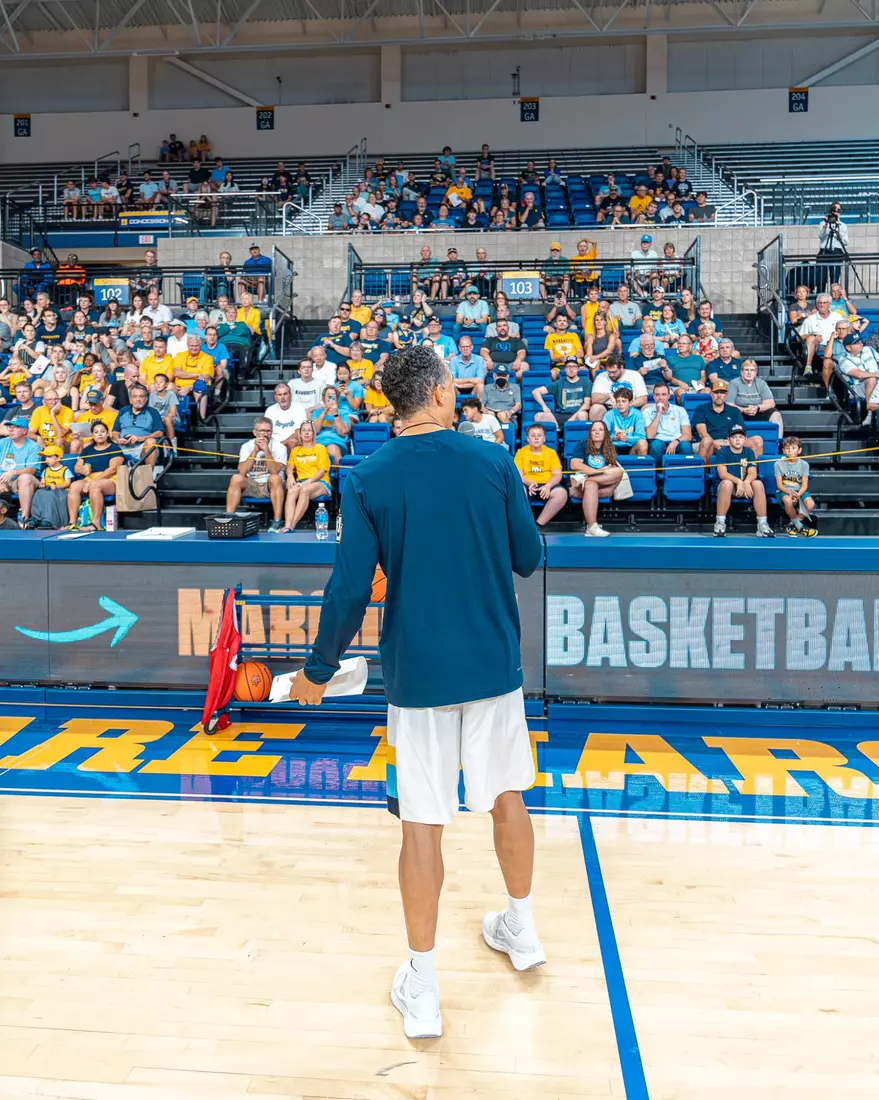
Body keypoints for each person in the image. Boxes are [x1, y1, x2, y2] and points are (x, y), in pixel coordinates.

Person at [289, 343, 544, 1041]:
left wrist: (317, 669)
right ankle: (521, 931)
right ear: (435, 395)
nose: (459, 397)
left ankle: (423, 987)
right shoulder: (494, 462)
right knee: (505, 795)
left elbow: (347, 590)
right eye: (453, 388)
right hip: (491, 664)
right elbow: (529, 557)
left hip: (418, 672)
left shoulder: (366, 476)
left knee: (421, 822)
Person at [713, 424, 775, 538]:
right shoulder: (722, 452)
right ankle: (720, 524)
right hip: (728, 486)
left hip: (746, 485)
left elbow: (752, 472)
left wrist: (746, 482)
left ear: (745, 439)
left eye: (741, 437)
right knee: (727, 484)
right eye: (734, 437)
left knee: (758, 483)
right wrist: (739, 482)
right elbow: (723, 474)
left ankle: (762, 525)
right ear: (729, 439)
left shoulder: (749, 452)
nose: (737, 440)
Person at [226, 416, 286, 532]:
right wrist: (255, 451)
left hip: (271, 485)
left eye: (268, 431)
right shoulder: (246, 446)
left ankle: (277, 520)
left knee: (275, 478)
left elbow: (275, 471)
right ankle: (229, 518)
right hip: (252, 484)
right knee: (236, 478)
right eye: (262, 431)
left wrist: (266, 450)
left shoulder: (280, 447)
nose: (265, 434)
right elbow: (242, 471)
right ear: (255, 432)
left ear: (272, 432)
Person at [65, 421, 125, 532]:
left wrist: (94, 481)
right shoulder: (88, 449)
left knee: (95, 486)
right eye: (96, 432)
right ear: (92, 435)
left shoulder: (114, 448)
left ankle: (96, 522)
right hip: (90, 478)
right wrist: (82, 469)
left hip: (110, 479)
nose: (100, 434)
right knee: (74, 486)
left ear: (108, 434)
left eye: (103, 431)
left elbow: (112, 469)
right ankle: (72, 522)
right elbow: (77, 467)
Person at [569, 420, 623, 538]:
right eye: (594, 430)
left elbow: (612, 471)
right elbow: (575, 465)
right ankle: (592, 527)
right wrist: (598, 471)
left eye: (600, 430)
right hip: (581, 487)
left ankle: (587, 479)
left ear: (605, 433)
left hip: (598, 485)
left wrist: (609, 488)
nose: (597, 432)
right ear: (590, 433)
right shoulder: (582, 445)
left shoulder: (609, 448)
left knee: (618, 471)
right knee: (591, 484)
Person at [281, 420, 332, 532]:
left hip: (321, 482)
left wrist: (307, 482)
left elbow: (322, 471)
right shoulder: (295, 450)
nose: (307, 433)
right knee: (291, 491)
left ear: (313, 433)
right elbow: (289, 467)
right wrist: (290, 475)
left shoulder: (320, 448)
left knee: (304, 489)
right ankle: (287, 524)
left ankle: (291, 526)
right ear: (300, 434)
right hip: (302, 482)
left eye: (309, 430)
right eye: (304, 430)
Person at [514, 424, 567, 526]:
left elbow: (557, 475)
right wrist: (530, 483)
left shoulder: (551, 453)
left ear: (544, 439)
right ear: (528, 439)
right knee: (518, 490)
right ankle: (524, 524)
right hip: (527, 484)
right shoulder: (521, 453)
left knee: (561, 494)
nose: (536, 438)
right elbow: (519, 475)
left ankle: (539, 524)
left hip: (547, 484)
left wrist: (548, 486)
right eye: (533, 435)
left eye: (539, 435)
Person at [727, 359, 783, 439]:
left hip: (758, 412)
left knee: (775, 414)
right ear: (741, 372)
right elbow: (728, 404)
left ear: (756, 372)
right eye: (746, 370)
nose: (749, 373)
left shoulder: (761, 383)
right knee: (731, 413)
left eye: (752, 370)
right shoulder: (734, 383)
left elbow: (771, 403)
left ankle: (777, 442)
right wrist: (743, 410)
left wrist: (758, 408)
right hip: (741, 414)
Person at [775, 435, 818, 538]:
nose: (790, 451)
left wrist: (797, 495)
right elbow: (779, 485)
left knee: (810, 504)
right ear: (783, 451)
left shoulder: (804, 465)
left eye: (793, 448)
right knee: (788, 501)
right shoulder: (778, 464)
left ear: (799, 450)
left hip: (799, 491)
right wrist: (790, 493)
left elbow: (804, 485)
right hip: (784, 491)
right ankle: (799, 526)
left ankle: (792, 525)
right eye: (787, 448)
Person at [0, 417, 40, 528]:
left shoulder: (33, 446)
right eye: (10, 427)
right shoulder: (2, 443)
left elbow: (32, 469)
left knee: (25, 478)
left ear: (25, 431)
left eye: (16, 427)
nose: (11, 430)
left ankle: (25, 518)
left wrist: (14, 472)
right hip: (3, 478)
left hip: (22, 480)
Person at [112, 384, 164, 466]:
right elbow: (115, 431)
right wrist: (118, 439)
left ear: (146, 399)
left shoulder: (153, 412)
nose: (138, 399)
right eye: (135, 396)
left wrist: (140, 438)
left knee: (151, 442)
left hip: (142, 447)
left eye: (141, 396)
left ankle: (148, 476)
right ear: (130, 399)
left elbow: (160, 433)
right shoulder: (123, 411)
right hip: (122, 446)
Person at [643, 381, 693, 463]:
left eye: (664, 394)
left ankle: (685, 473)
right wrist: (658, 413)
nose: (660, 398)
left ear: (669, 396)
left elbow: (688, 435)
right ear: (654, 397)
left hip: (677, 441)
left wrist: (676, 441)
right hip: (657, 441)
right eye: (657, 395)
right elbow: (650, 436)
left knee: (686, 445)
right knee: (656, 445)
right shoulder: (647, 412)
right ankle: (658, 474)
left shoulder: (680, 410)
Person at [533, 357, 592, 427]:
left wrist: (572, 418)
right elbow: (535, 392)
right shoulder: (559, 383)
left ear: (578, 369)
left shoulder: (586, 382)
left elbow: (587, 405)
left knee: (582, 414)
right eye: (569, 367)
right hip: (562, 415)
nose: (571, 369)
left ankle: (579, 437)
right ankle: (558, 432)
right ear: (565, 369)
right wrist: (544, 407)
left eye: (574, 367)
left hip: (577, 414)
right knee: (538, 416)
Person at [589, 355, 648, 420]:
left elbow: (643, 399)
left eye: (614, 372)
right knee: (595, 408)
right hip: (610, 409)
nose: (611, 375)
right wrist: (609, 395)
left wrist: (626, 406)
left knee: (648, 407)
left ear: (621, 367)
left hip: (631, 407)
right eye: (609, 372)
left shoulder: (635, 375)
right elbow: (594, 399)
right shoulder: (601, 377)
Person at [798, 294, 839, 377]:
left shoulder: (837, 317)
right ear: (817, 304)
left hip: (834, 344)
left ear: (829, 304)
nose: (822, 305)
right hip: (818, 345)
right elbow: (799, 338)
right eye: (820, 303)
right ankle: (808, 367)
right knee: (810, 339)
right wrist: (812, 335)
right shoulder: (810, 319)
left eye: (824, 303)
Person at [602, 387, 648, 455]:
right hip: (614, 446)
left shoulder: (637, 414)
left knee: (643, 443)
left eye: (623, 401)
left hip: (631, 446)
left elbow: (641, 437)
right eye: (618, 401)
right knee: (606, 446)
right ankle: (611, 465)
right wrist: (615, 437)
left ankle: (641, 465)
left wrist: (627, 438)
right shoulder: (609, 415)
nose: (620, 404)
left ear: (630, 403)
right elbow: (603, 435)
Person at [816, 202, 848, 290]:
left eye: (838, 210)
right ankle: (820, 296)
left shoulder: (843, 226)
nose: (836, 212)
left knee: (835, 278)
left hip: (836, 252)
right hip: (824, 252)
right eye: (834, 210)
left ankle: (835, 297)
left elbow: (846, 242)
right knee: (821, 277)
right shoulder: (823, 223)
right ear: (831, 211)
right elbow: (821, 236)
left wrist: (840, 237)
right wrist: (826, 224)